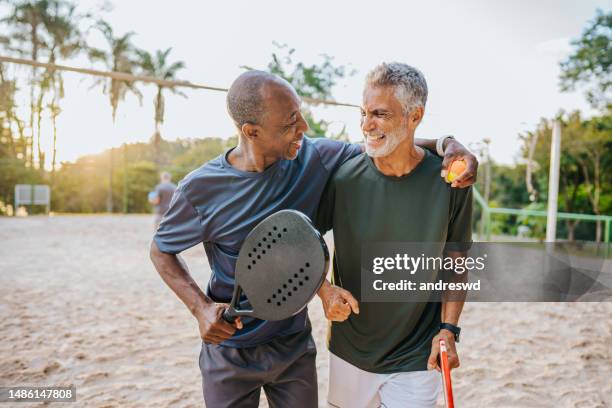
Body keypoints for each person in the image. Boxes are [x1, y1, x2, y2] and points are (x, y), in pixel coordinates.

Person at [149, 70, 477, 408]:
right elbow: (161, 250)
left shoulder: (315, 157)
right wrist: (200, 308)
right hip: (230, 348)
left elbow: (388, 142)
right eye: (290, 121)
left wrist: (449, 145)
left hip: (293, 344)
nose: (303, 127)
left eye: (300, 113)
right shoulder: (201, 188)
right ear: (252, 131)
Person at [316, 62, 472, 408]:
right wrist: (324, 290)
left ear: (414, 116)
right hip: (350, 349)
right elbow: (305, 239)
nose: (366, 125)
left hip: (418, 353)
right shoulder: (343, 177)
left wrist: (449, 329)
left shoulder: (451, 181)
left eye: (380, 114)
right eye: (363, 112)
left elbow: (457, 260)